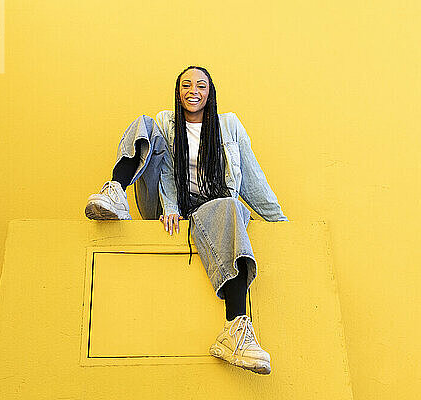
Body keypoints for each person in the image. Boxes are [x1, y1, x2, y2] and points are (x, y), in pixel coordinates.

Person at [85, 66, 288, 374]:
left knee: (233, 208)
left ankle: (234, 331)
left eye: (201, 85)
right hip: (169, 208)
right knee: (144, 123)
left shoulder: (228, 125)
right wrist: (169, 205)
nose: (193, 90)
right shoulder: (166, 122)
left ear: (211, 92)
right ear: (178, 92)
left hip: (212, 208)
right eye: (186, 85)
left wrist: (280, 222)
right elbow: (164, 170)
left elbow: (253, 181)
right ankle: (116, 191)